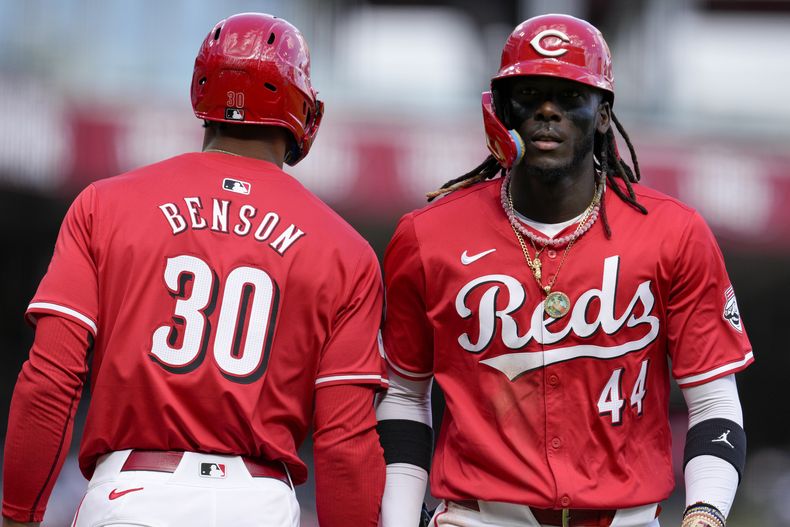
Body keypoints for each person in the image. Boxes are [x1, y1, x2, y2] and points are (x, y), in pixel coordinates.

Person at [2, 13, 386, 527]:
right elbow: (345, 441)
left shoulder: (105, 204)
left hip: (132, 494)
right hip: (259, 504)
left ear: (201, 93)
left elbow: (50, 380)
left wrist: (16, 515)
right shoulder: (346, 249)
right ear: (301, 107)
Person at [376, 13, 752, 527]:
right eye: (529, 94)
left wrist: (705, 513)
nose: (547, 111)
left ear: (602, 115)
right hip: (480, 517)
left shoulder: (674, 233)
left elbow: (712, 402)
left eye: (570, 96)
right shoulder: (427, 236)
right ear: (502, 111)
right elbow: (402, 395)